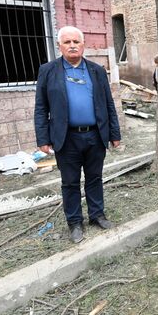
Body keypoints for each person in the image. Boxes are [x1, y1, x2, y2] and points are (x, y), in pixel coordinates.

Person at [34, 26, 121, 243]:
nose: (72, 45)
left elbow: (108, 104)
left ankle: (97, 215)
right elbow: (41, 107)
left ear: (83, 45)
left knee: (95, 178)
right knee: (70, 182)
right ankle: (74, 222)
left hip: (94, 136)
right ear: (59, 46)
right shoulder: (48, 70)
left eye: (76, 42)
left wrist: (114, 133)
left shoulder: (96, 71)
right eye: (67, 42)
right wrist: (43, 138)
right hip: (66, 138)